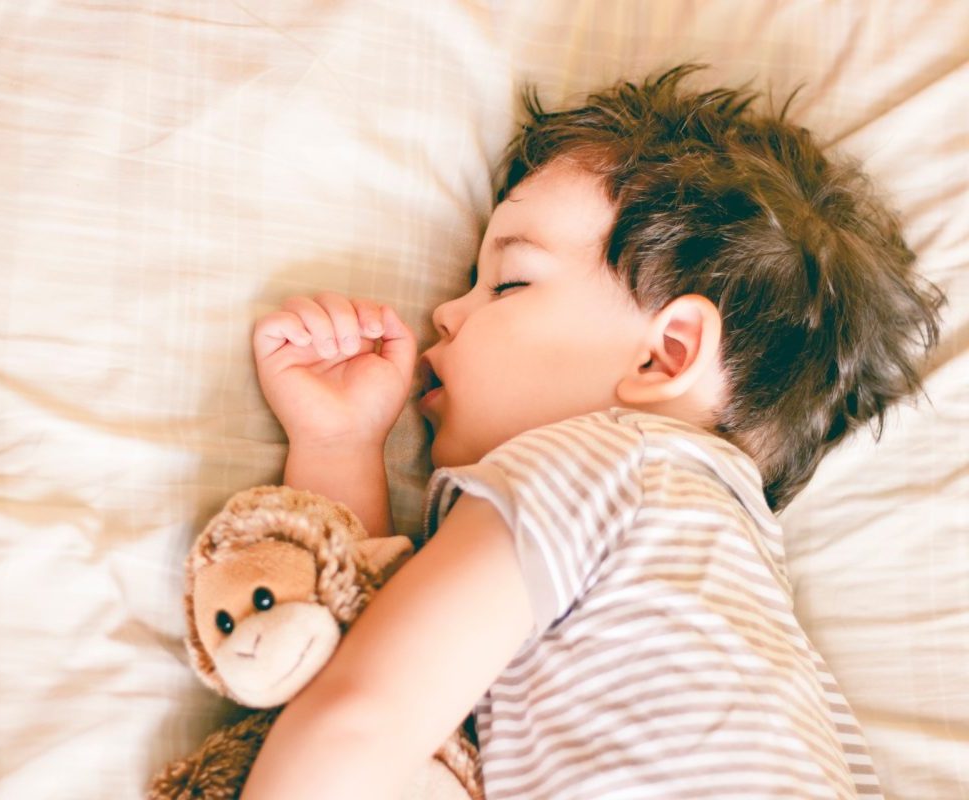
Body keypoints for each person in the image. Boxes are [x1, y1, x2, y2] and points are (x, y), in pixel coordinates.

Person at [242, 64, 943, 799]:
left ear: (664, 354)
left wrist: (337, 447)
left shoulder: (602, 463)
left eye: (508, 284)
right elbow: (412, 727)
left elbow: (363, 716)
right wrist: (340, 445)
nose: (448, 312)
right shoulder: (714, 576)